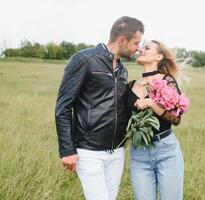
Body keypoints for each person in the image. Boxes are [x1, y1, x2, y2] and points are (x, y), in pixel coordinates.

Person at [55, 16, 144, 200]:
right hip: (89, 151)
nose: (138, 49)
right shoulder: (84, 59)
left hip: (117, 152)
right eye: (136, 43)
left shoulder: (122, 70)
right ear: (122, 40)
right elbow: (63, 107)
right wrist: (67, 150)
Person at [126, 40, 185, 200]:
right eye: (141, 47)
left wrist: (152, 103)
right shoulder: (131, 86)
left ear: (159, 56)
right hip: (139, 153)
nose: (141, 50)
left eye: (147, 48)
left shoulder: (167, 81)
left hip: (166, 150)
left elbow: (176, 119)